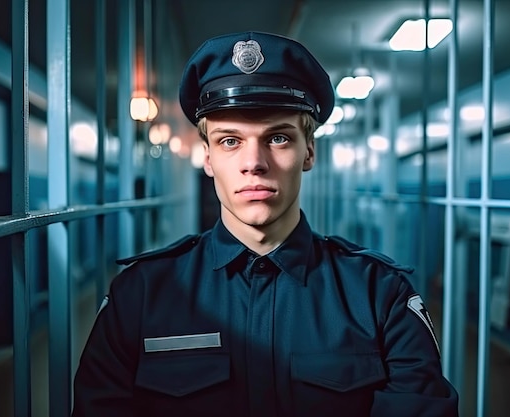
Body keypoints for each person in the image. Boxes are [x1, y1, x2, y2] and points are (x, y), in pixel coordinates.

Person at [72, 31, 459, 417]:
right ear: (207, 158)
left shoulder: (379, 295)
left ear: (309, 151)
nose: (254, 162)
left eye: (277, 137)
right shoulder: (140, 295)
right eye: (229, 141)